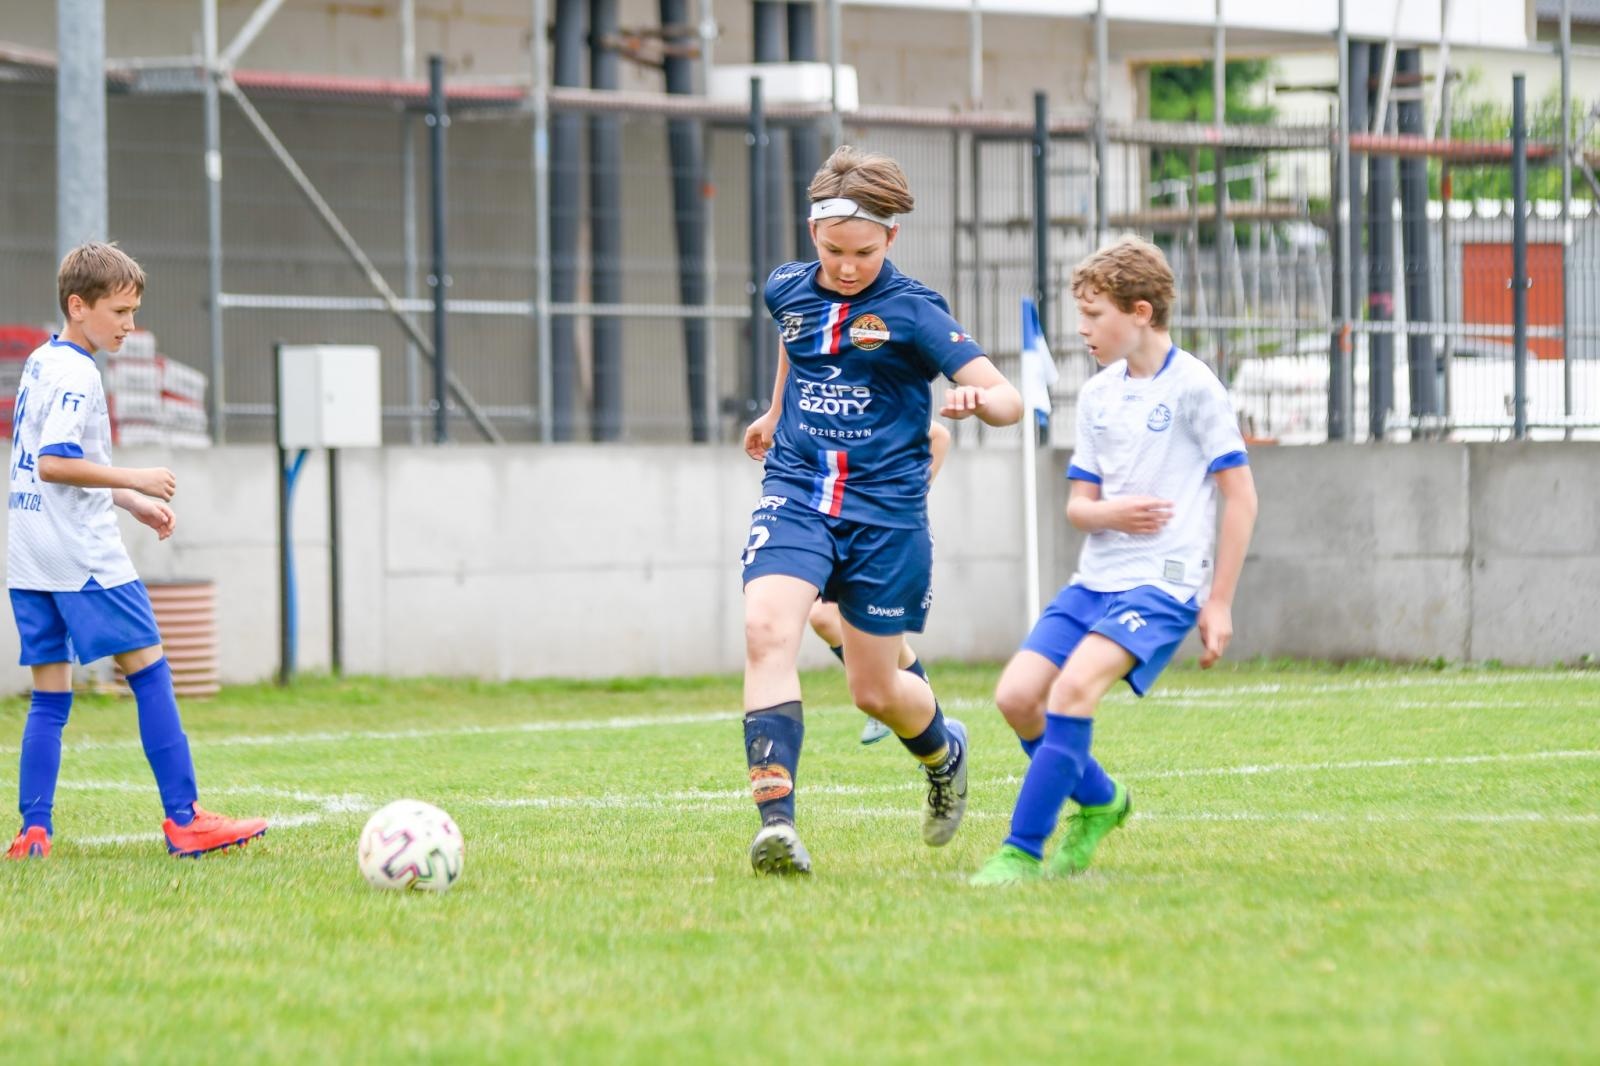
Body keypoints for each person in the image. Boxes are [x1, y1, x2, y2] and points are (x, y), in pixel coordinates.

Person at [740, 146, 1022, 875]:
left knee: (874, 691)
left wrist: (975, 401)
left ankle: (943, 752)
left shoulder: (913, 311)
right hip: (796, 487)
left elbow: (1010, 399)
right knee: (768, 629)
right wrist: (775, 414)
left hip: (886, 513)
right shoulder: (786, 289)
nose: (845, 266)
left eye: (863, 252)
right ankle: (777, 825)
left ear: (891, 239)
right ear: (812, 235)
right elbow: (794, 343)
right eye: (832, 250)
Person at [970, 235, 1258, 885]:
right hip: (1095, 580)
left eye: (1095, 315)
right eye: (1081, 314)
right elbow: (1079, 506)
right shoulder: (1098, 395)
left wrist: (1218, 601)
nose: (1082, 329)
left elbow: (1240, 496)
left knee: (1073, 690)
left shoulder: (1196, 389)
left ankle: (1021, 850)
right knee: (1017, 697)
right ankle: (1102, 801)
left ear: (1141, 314)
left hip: (1164, 584)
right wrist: (1110, 515)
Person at [6, 242, 268, 860]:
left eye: (133, 311)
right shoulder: (79, 373)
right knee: (151, 675)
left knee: (50, 695)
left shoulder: (43, 362)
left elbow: (54, 462)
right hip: (83, 561)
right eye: (120, 312)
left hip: (30, 556)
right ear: (78, 305)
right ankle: (185, 820)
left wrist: (129, 503)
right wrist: (136, 479)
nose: (129, 325)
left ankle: (33, 832)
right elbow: (53, 463)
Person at [808, 421, 950, 746]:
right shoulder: (818, 404)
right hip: (843, 527)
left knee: (841, 620)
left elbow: (938, 436)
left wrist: (907, 504)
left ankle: (930, 727)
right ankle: (907, 704)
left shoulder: (869, 397)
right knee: (825, 618)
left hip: (886, 535)